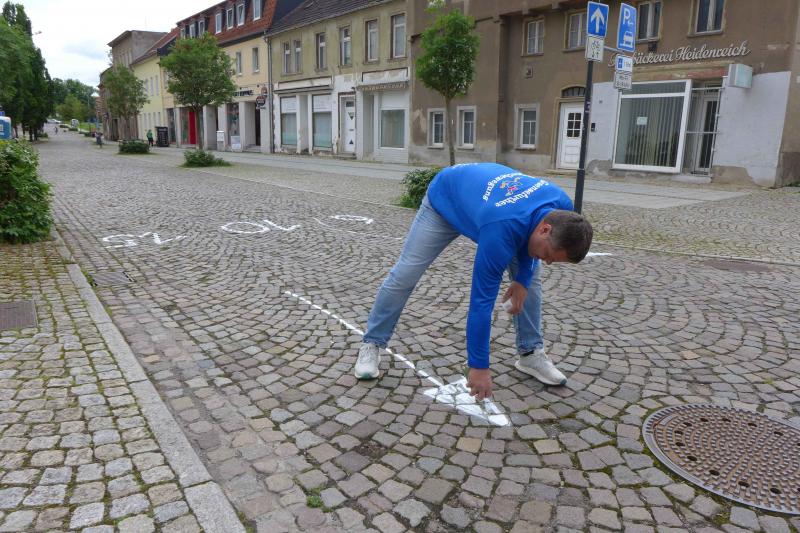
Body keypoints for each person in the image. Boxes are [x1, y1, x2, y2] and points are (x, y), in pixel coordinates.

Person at [354, 163, 593, 400]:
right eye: (549, 255)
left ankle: (530, 353)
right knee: (405, 274)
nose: (548, 262)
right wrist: (478, 366)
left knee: (530, 283)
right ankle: (372, 343)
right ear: (545, 230)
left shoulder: (563, 210)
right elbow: (481, 302)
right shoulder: (501, 228)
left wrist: (522, 280)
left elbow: (529, 240)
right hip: (446, 200)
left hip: (497, 211)